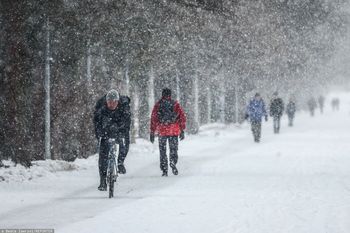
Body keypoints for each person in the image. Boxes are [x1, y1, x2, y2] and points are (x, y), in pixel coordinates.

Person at [93, 89, 131, 191]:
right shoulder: (101, 110)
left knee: (124, 143)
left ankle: (120, 163)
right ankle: (102, 180)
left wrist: (122, 133)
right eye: (109, 102)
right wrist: (99, 135)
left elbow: (127, 123)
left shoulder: (124, 108)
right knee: (103, 155)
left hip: (119, 129)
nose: (112, 104)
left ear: (118, 102)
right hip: (106, 130)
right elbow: (96, 124)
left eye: (114, 102)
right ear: (106, 101)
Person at [150, 88, 186, 177]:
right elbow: (182, 117)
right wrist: (182, 130)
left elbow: (153, 118)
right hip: (173, 129)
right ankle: (173, 162)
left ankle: (164, 169)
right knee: (173, 149)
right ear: (170, 95)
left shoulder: (158, 105)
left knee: (162, 151)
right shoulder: (175, 104)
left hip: (162, 130)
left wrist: (152, 131)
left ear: (162, 95)